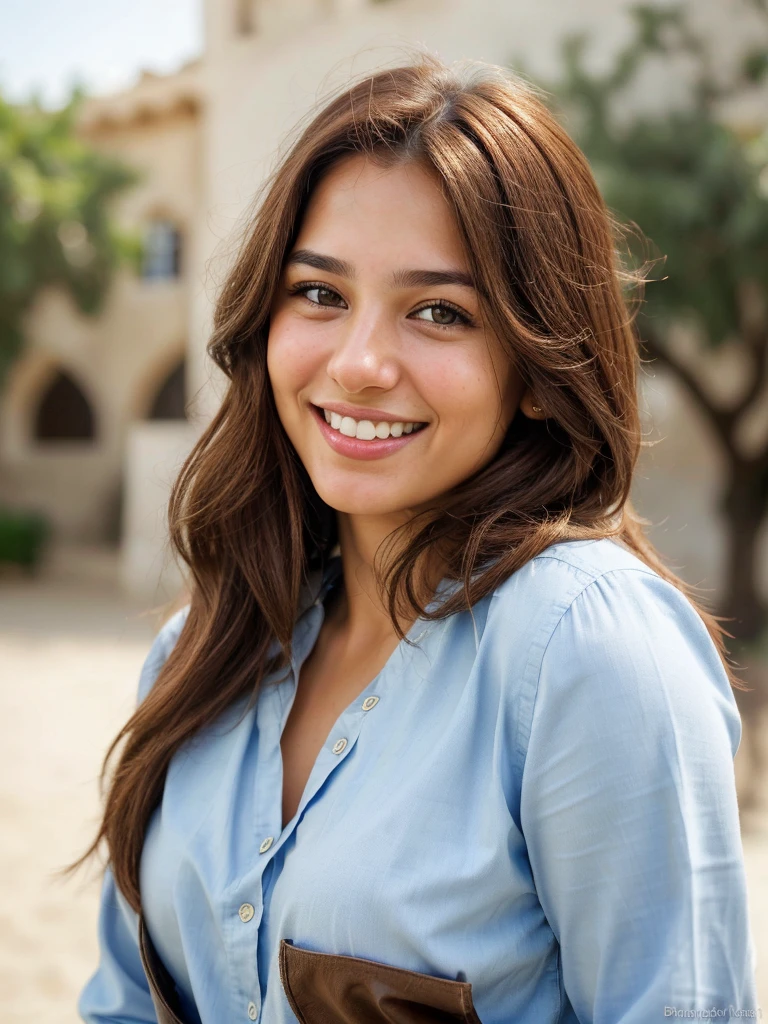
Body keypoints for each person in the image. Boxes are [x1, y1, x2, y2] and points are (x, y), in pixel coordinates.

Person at [76, 55, 758, 1023]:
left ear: (535, 365)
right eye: (319, 293)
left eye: (440, 311)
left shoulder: (586, 653)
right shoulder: (196, 659)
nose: (358, 364)